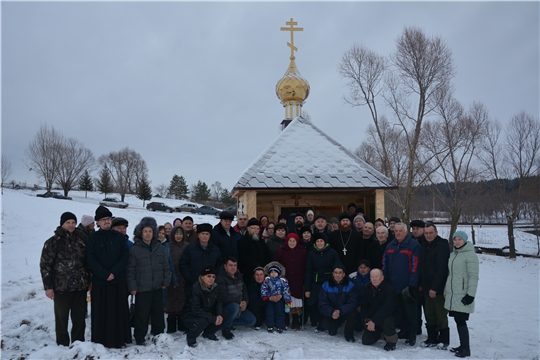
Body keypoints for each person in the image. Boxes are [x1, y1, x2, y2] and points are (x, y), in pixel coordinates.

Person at [40, 212, 91, 346]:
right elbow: (45, 265)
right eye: (68, 222)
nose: (71, 225)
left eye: (73, 222)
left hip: (80, 286)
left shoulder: (82, 240)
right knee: (62, 318)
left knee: (79, 318)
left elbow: (88, 262)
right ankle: (62, 343)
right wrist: (48, 287)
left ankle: (79, 343)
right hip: (61, 287)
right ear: (62, 223)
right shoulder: (53, 242)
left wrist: (89, 280)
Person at [86, 206, 131, 348]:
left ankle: (119, 339)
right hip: (101, 282)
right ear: (98, 222)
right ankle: (101, 339)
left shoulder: (118, 237)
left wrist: (114, 272)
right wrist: (105, 273)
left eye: (108, 219)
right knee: (102, 312)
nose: (106, 222)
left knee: (118, 311)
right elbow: (91, 259)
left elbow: (125, 256)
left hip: (118, 281)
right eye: (103, 220)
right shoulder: (93, 238)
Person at [126, 217, 172, 345]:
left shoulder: (159, 247)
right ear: (141, 232)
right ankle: (140, 337)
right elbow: (130, 270)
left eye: (150, 231)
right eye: (145, 231)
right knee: (142, 314)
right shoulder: (135, 249)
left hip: (157, 287)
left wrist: (165, 281)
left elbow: (165, 266)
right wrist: (132, 286)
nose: (148, 234)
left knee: (158, 313)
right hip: (142, 288)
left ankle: (159, 335)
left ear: (154, 233)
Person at [382, 222, 421, 346]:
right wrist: (385, 280)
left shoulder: (413, 246)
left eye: (400, 231)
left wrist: (413, 283)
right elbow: (384, 264)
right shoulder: (390, 246)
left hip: (407, 286)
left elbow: (416, 265)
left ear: (406, 232)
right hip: (393, 284)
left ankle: (412, 334)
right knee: (400, 311)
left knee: (410, 311)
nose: (398, 233)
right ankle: (404, 330)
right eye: (396, 231)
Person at [444, 231, 479, 358]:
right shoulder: (453, 254)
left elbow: (473, 277)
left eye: (460, 239)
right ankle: (462, 345)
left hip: (463, 294)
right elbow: (450, 276)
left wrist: (470, 295)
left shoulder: (470, 256)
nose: (457, 242)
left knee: (461, 320)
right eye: (455, 239)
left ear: (465, 241)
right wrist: (446, 291)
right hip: (453, 293)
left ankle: (466, 348)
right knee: (458, 320)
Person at [419, 223, 450, 348]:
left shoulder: (442, 246)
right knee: (429, 313)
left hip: (438, 287)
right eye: (426, 233)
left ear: (436, 233)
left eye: (431, 233)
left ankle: (443, 339)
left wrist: (435, 288)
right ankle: (432, 338)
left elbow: (442, 269)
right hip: (426, 286)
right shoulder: (424, 245)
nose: (428, 235)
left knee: (440, 315)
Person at [305, 232, 340, 331]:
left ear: (325, 242)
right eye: (317, 241)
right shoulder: (311, 253)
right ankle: (320, 322)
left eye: (321, 241)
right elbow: (308, 271)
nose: (320, 243)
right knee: (313, 303)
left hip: (329, 282)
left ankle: (330, 322)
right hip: (315, 282)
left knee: (328, 303)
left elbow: (338, 267)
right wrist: (307, 289)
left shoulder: (332, 252)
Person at [181, 265, 223, 348]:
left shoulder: (215, 287)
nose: (211, 278)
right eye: (208, 276)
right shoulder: (195, 288)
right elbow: (195, 309)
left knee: (226, 313)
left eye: (213, 277)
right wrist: (213, 318)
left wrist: (219, 315)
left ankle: (208, 333)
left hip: (207, 313)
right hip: (191, 316)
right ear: (202, 277)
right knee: (202, 321)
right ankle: (191, 337)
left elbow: (219, 302)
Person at [216, 257, 256, 339]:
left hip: (239, 307)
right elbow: (223, 297)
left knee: (251, 320)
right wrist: (238, 302)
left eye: (235, 265)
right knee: (235, 306)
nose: (233, 267)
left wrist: (245, 301)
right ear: (225, 266)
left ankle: (226, 322)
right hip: (227, 307)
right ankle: (226, 328)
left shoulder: (239, 276)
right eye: (230, 265)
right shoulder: (220, 278)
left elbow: (244, 290)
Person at [318, 262, 358, 343]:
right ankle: (333, 327)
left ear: (344, 274)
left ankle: (348, 334)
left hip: (344, 311)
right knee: (326, 325)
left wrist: (340, 310)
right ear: (333, 273)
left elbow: (352, 303)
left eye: (340, 273)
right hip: (332, 312)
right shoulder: (326, 285)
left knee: (353, 313)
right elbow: (322, 303)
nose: (337, 275)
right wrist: (332, 312)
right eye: (335, 272)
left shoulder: (351, 285)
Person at [274, 233, 307, 330]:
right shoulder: (281, 250)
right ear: (287, 241)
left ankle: (296, 319)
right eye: (290, 241)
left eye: (294, 241)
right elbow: (276, 263)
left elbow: (306, 265)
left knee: (296, 299)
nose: (292, 243)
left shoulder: (302, 251)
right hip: (285, 279)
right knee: (287, 299)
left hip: (298, 279)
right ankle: (286, 318)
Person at [361, 269, 398, 351]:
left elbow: (388, 307)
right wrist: (366, 320)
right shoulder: (368, 288)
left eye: (376, 277)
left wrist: (374, 321)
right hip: (373, 318)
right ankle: (381, 333)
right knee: (366, 341)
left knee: (387, 320)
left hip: (387, 317)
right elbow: (364, 306)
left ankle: (391, 340)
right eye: (372, 277)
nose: (374, 279)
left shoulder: (389, 289)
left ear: (382, 277)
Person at [165, 225, 189, 333]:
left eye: (180, 234)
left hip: (183, 277)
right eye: (176, 234)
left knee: (182, 301)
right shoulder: (168, 246)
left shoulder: (187, 246)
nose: (178, 236)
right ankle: (171, 327)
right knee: (171, 302)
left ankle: (182, 325)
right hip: (172, 277)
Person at [237, 218, 272, 285]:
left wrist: (265, 266)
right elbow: (244, 258)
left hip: (262, 273)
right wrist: (257, 266)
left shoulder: (261, 241)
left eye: (257, 228)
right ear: (248, 229)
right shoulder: (242, 241)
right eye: (253, 228)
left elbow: (267, 254)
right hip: (248, 273)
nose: (255, 230)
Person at [261, 261, 291, 333]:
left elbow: (286, 289)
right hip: (270, 299)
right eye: (271, 272)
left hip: (279, 299)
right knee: (269, 312)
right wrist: (265, 296)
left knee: (280, 312)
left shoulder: (282, 280)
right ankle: (270, 325)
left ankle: (280, 325)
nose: (273, 274)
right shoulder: (267, 280)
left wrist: (287, 299)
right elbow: (264, 288)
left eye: (275, 272)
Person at [349, 259, 371, 332]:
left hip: (368, 305)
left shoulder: (373, 277)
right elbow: (350, 293)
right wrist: (357, 305)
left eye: (365, 267)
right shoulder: (352, 277)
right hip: (355, 304)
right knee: (357, 328)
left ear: (369, 268)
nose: (362, 269)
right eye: (361, 267)